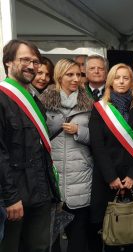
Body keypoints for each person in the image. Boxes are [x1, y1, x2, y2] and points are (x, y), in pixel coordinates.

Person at [0, 39, 60, 252]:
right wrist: (10, 198)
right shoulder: (2, 98)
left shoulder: (35, 101)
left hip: (40, 195)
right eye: (25, 59)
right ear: (8, 62)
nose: (32, 66)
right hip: (14, 200)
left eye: (35, 61)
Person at [88, 63, 133, 252]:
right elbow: (97, 146)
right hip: (108, 177)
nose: (122, 81)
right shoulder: (99, 108)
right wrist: (111, 177)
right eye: (117, 77)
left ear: (132, 82)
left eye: (126, 77)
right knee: (111, 233)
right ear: (110, 82)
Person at [39, 58, 93, 252]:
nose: (75, 79)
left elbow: (99, 138)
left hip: (81, 176)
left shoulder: (89, 103)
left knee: (78, 238)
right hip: (53, 176)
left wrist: (80, 130)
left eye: (78, 74)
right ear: (59, 76)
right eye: (70, 74)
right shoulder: (43, 102)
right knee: (51, 240)